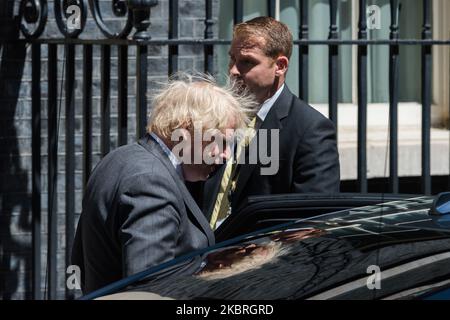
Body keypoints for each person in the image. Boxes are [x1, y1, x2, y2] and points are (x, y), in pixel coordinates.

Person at [71, 73, 256, 294]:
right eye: (220, 142)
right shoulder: (151, 182)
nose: (226, 155)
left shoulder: (120, 157)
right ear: (187, 131)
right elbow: (148, 287)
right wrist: (220, 270)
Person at [202, 17, 340, 229]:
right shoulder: (216, 115)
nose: (233, 71)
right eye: (232, 59)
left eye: (247, 62)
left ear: (280, 66)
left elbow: (311, 221)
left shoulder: (311, 129)